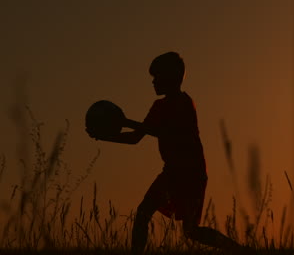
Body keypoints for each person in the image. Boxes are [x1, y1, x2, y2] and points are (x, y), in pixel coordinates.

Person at [86, 52, 243, 254]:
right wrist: (104, 137)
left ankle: (240, 250)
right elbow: (135, 138)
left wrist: (124, 122)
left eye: (156, 77)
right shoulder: (158, 106)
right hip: (172, 171)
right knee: (144, 213)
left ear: (171, 76)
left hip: (191, 172)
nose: (153, 82)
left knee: (190, 231)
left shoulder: (184, 103)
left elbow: (162, 131)